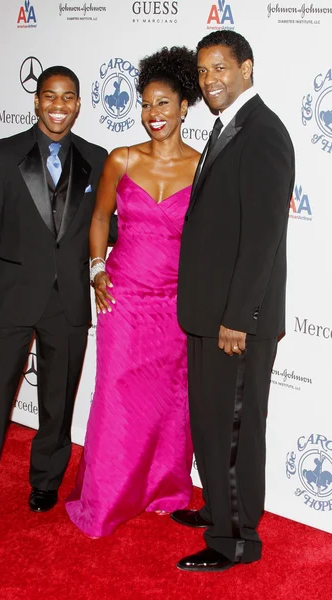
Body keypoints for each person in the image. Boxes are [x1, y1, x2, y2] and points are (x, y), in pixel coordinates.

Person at [0, 65, 116, 523]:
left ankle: (45, 480)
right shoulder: (1, 155)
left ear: (79, 104)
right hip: (9, 299)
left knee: (59, 400)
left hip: (68, 301)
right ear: (36, 101)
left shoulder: (99, 158)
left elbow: (108, 223)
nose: (58, 105)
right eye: (50, 96)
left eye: (67, 97)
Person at [65, 47, 202, 537]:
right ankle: (106, 496)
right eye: (146, 104)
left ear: (185, 106)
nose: (153, 115)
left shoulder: (203, 167)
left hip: (175, 305)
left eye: (163, 104)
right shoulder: (121, 159)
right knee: (117, 401)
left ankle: (163, 486)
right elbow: (100, 218)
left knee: (170, 401)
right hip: (122, 299)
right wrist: (97, 268)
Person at [171, 31, 295, 571]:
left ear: (247, 68)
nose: (209, 80)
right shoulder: (228, 129)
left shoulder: (264, 132)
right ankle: (221, 509)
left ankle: (236, 540)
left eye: (219, 67)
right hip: (209, 313)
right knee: (213, 423)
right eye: (201, 71)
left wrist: (238, 317)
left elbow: (263, 237)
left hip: (235, 320)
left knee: (236, 431)